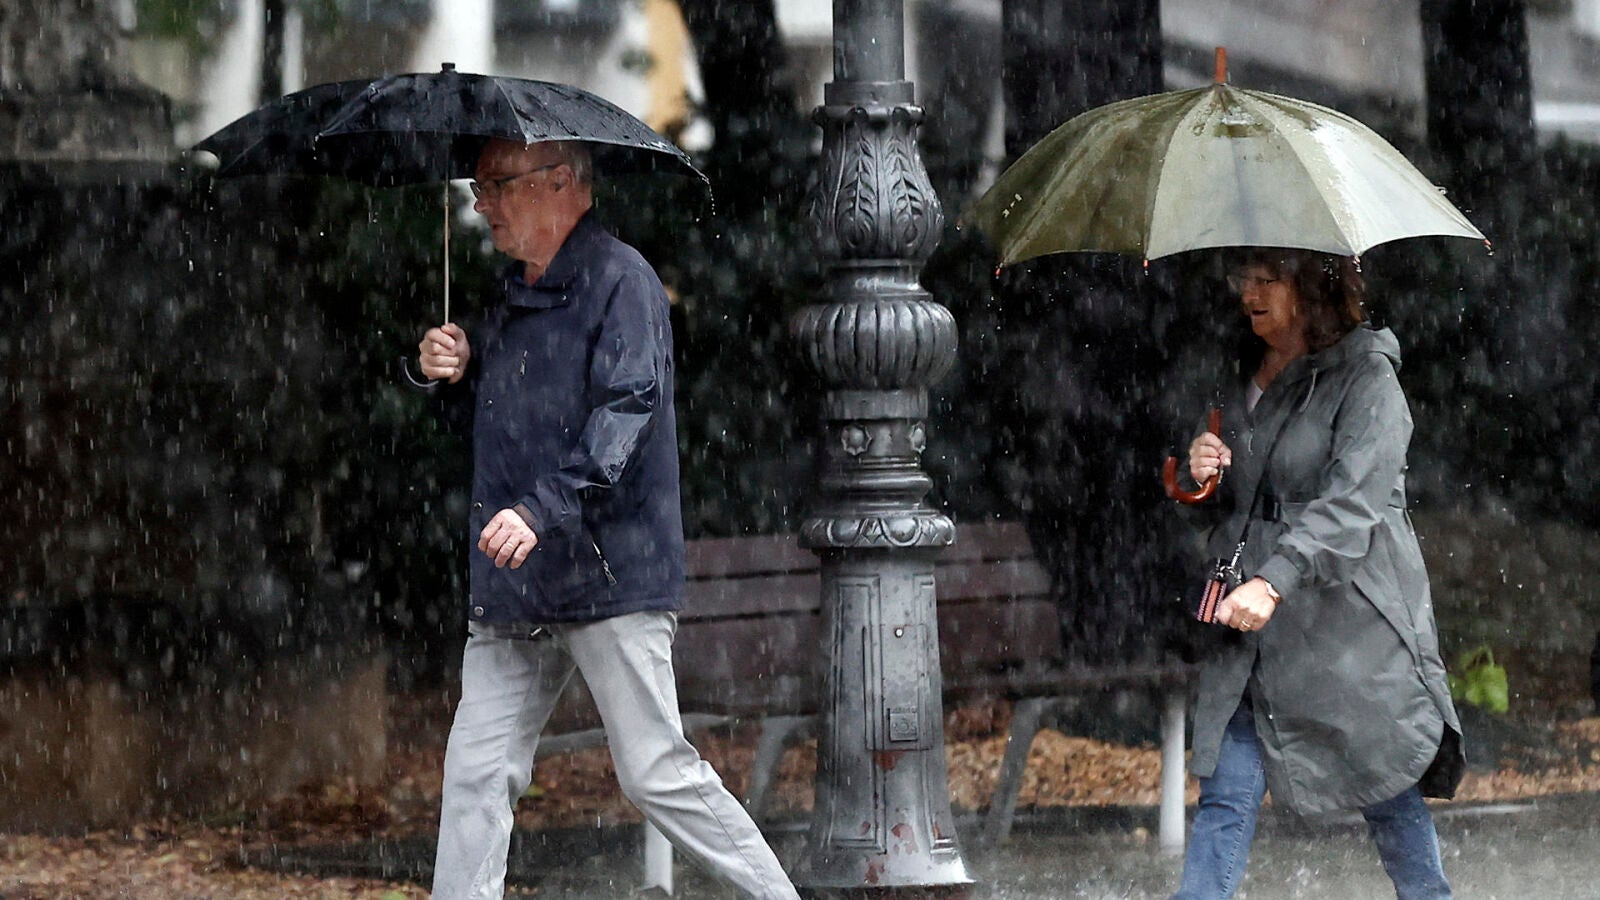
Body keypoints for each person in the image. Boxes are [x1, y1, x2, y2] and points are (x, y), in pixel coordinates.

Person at [413, 137, 800, 900]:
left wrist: (541, 509)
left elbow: (625, 417)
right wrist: (448, 373)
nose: (482, 204)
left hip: (608, 574)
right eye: (478, 187)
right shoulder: (505, 294)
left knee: (656, 772)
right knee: (476, 775)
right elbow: (498, 424)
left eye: (497, 184)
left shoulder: (624, 282)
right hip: (519, 578)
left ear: (562, 183)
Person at [1171, 249, 1465, 900]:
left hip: (1346, 622)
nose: (1249, 293)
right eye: (1242, 279)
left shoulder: (1368, 378)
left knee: (1384, 782)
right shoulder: (1238, 370)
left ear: (1311, 285)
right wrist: (1198, 472)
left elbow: (1351, 506)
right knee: (1227, 788)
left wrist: (1276, 579)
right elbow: (1228, 500)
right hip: (1251, 624)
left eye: (1266, 279)